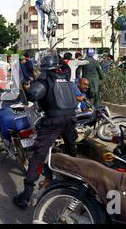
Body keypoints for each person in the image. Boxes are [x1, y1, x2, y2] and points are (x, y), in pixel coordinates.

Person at [14, 53, 78, 209]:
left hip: (53, 121)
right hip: (71, 118)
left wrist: (26, 86)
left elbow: (31, 95)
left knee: (38, 155)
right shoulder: (65, 75)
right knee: (72, 150)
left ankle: (26, 195)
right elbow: (66, 66)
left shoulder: (44, 80)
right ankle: (76, 183)